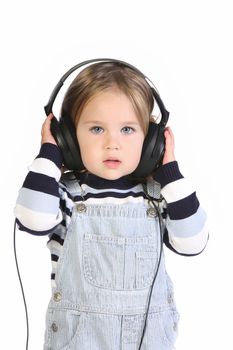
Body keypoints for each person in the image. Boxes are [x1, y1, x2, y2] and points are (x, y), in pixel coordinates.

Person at [14, 61, 208, 350]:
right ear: (68, 137)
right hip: (79, 341)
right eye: (96, 129)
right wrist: (49, 155)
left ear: (152, 141)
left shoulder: (157, 197)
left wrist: (171, 174)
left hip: (149, 340)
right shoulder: (66, 195)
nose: (112, 143)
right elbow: (32, 218)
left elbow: (193, 243)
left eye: (128, 129)